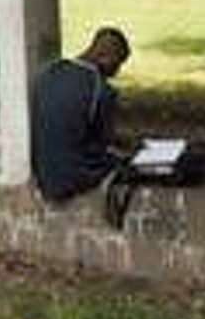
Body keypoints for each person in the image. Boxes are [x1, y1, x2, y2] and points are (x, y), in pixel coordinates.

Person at [31, 27, 132, 220]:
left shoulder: (50, 71)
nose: (117, 72)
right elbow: (104, 144)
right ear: (105, 57)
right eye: (118, 64)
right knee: (129, 163)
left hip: (43, 174)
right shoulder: (102, 90)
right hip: (72, 176)